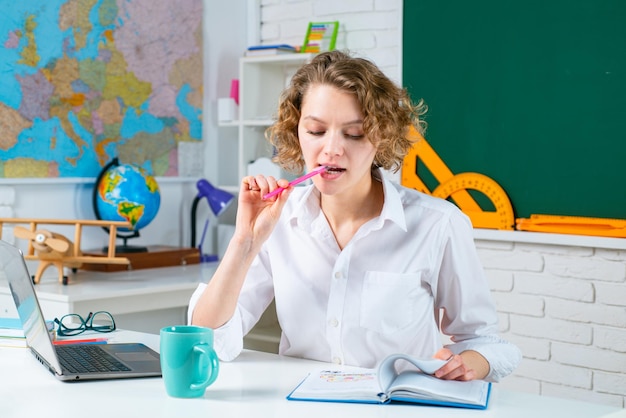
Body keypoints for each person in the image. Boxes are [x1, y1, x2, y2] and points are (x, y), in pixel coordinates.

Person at [188, 50, 521, 382]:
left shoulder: (437, 224)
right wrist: (244, 241)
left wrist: (467, 364)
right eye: (316, 131)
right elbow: (209, 343)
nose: (332, 149)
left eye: (355, 133)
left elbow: (487, 342)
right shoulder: (277, 220)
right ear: (296, 131)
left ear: (382, 136)